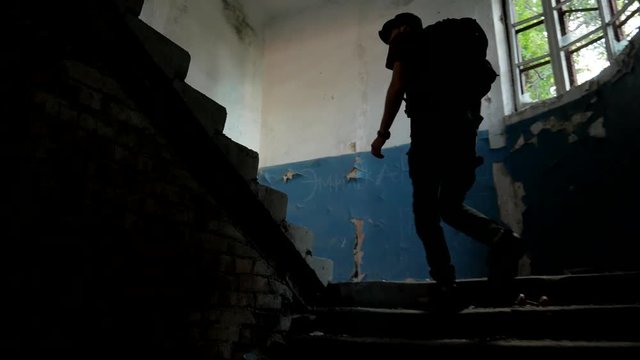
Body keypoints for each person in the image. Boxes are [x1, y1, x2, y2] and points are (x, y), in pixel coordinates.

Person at [371, 12, 524, 308]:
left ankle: (445, 285)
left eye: (389, 37)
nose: (390, 44)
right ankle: (504, 240)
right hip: (463, 139)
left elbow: (397, 85)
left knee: (425, 215)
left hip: (429, 137)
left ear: (401, 28)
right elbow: (474, 94)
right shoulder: (455, 51)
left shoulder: (405, 39)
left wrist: (382, 134)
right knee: (450, 207)